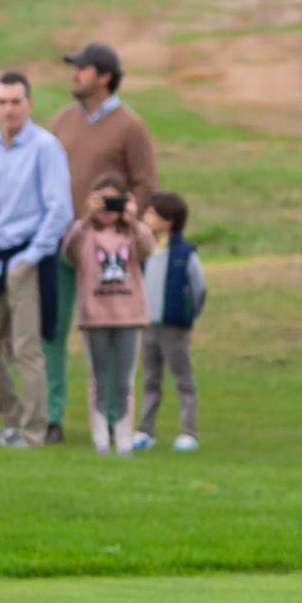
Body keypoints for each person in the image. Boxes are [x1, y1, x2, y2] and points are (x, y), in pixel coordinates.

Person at [43, 42, 161, 445]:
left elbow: (146, 183)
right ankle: (52, 416)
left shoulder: (131, 126)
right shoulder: (61, 121)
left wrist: (125, 226)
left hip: (112, 253)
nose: (75, 74)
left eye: (83, 68)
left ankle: (113, 419)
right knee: (53, 331)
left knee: (114, 334)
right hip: (65, 243)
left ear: (105, 76)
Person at [0, 72, 72, 448]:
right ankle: (12, 418)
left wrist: (30, 257)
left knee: (27, 347)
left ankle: (33, 431)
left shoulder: (45, 147)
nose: (8, 109)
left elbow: (60, 209)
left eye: (15, 102)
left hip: (29, 255)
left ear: (28, 105)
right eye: (2, 102)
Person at [59, 179, 157, 454]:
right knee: (99, 379)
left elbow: (147, 248)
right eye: (103, 201)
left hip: (129, 316)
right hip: (95, 316)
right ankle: (101, 436)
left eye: (114, 201)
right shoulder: (85, 233)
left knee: (124, 381)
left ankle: (124, 436)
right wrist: (86, 218)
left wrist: (133, 219)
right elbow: (69, 253)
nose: (108, 208)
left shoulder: (132, 234)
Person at [136, 191, 206, 452]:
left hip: (174, 327)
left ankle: (189, 432)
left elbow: (198, 289)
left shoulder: (184, 253)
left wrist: (187, 318)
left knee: (182, 379)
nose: (145, 218)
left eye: (151, 214)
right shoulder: (144, 250)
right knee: (150, 380)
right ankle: (145, 430)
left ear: (167, 221)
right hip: (148, 326)